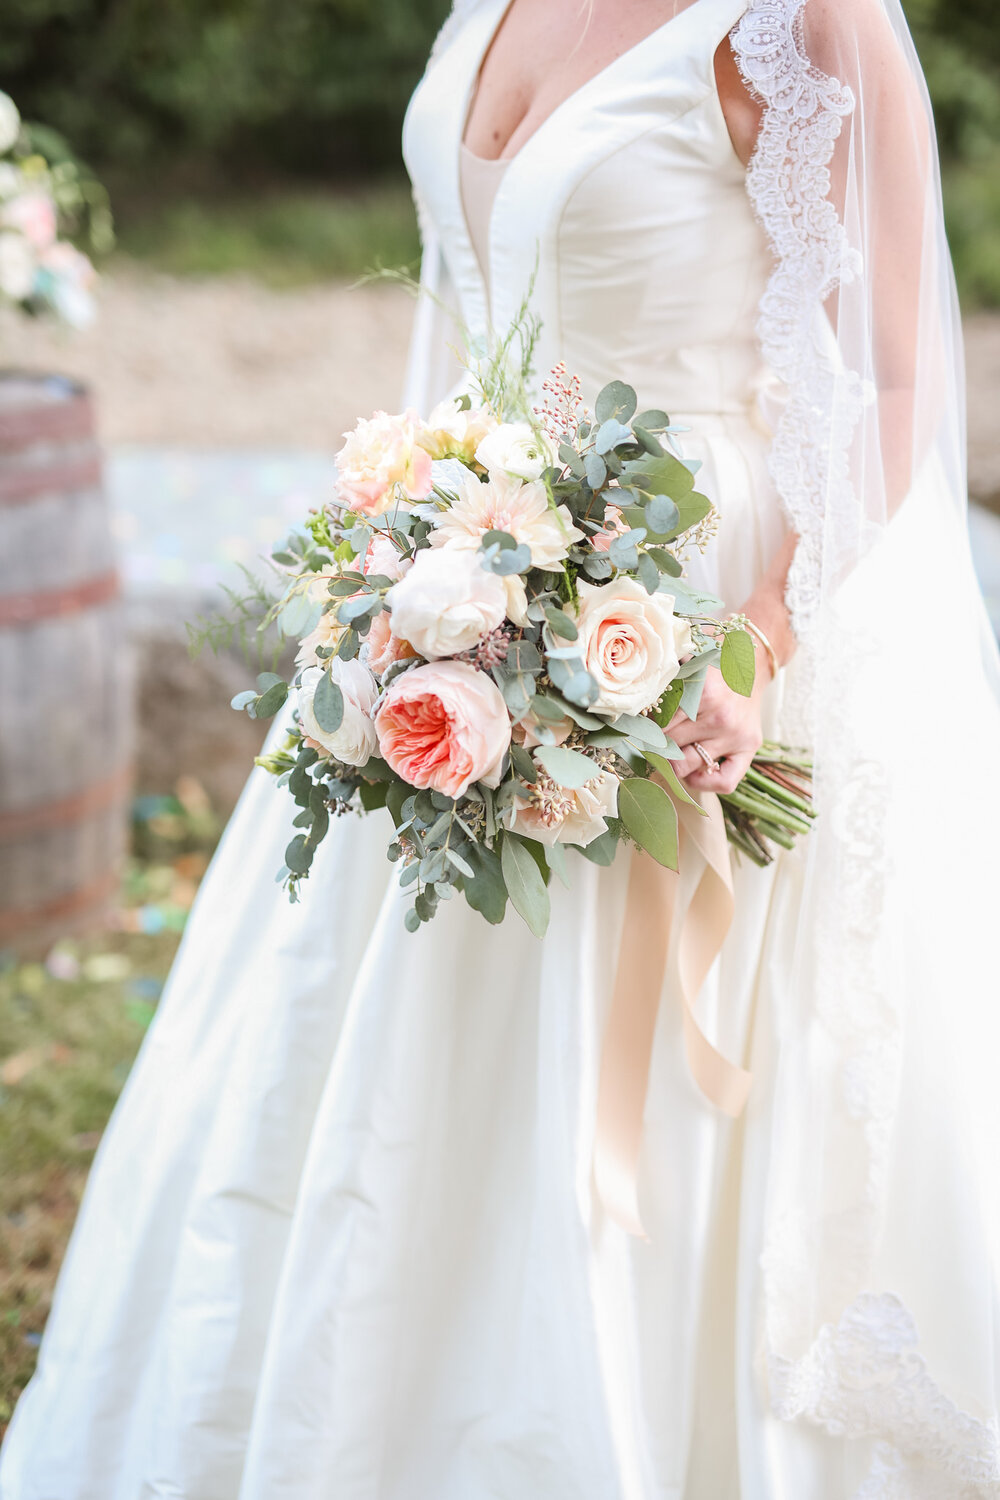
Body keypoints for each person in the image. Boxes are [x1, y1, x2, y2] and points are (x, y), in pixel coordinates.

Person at [4, 1, 1000, 1495]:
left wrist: (760, 632)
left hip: (694, 602)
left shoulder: (805, 21)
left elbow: (896, 374)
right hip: (468, 568)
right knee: (385, 1070)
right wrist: (415, 550)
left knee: (652, 1071)